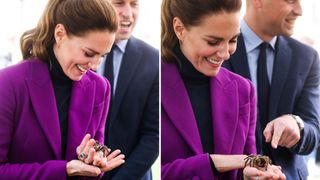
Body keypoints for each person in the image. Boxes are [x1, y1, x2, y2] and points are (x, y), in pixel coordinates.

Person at [0, 0, 125, 179]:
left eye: (102, 56)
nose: (96, 66)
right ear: (60, 34)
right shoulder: (8, 83)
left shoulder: (100, 88)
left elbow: (92, 158)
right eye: (89, 53)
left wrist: (90, 163)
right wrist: (64, 170)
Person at [161, 0, 286, 179]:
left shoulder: (244, 90)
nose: (225, 53)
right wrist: (212, 163)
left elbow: (247, 161)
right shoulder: (156, 83)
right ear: (180, 28)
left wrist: (252, 175)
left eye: (233, 40)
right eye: (213, 42)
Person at [223, 0, 320, 179]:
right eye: (291, 0)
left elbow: (314, 132)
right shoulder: (216, 49)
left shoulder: (307, 57)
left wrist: (296, 124)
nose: (299, 11)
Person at [96, 0, 159, 179]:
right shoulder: (79, 54)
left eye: (134, 4)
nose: (128, 13)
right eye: (119, 3)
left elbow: (154, 135)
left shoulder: (154, 61)